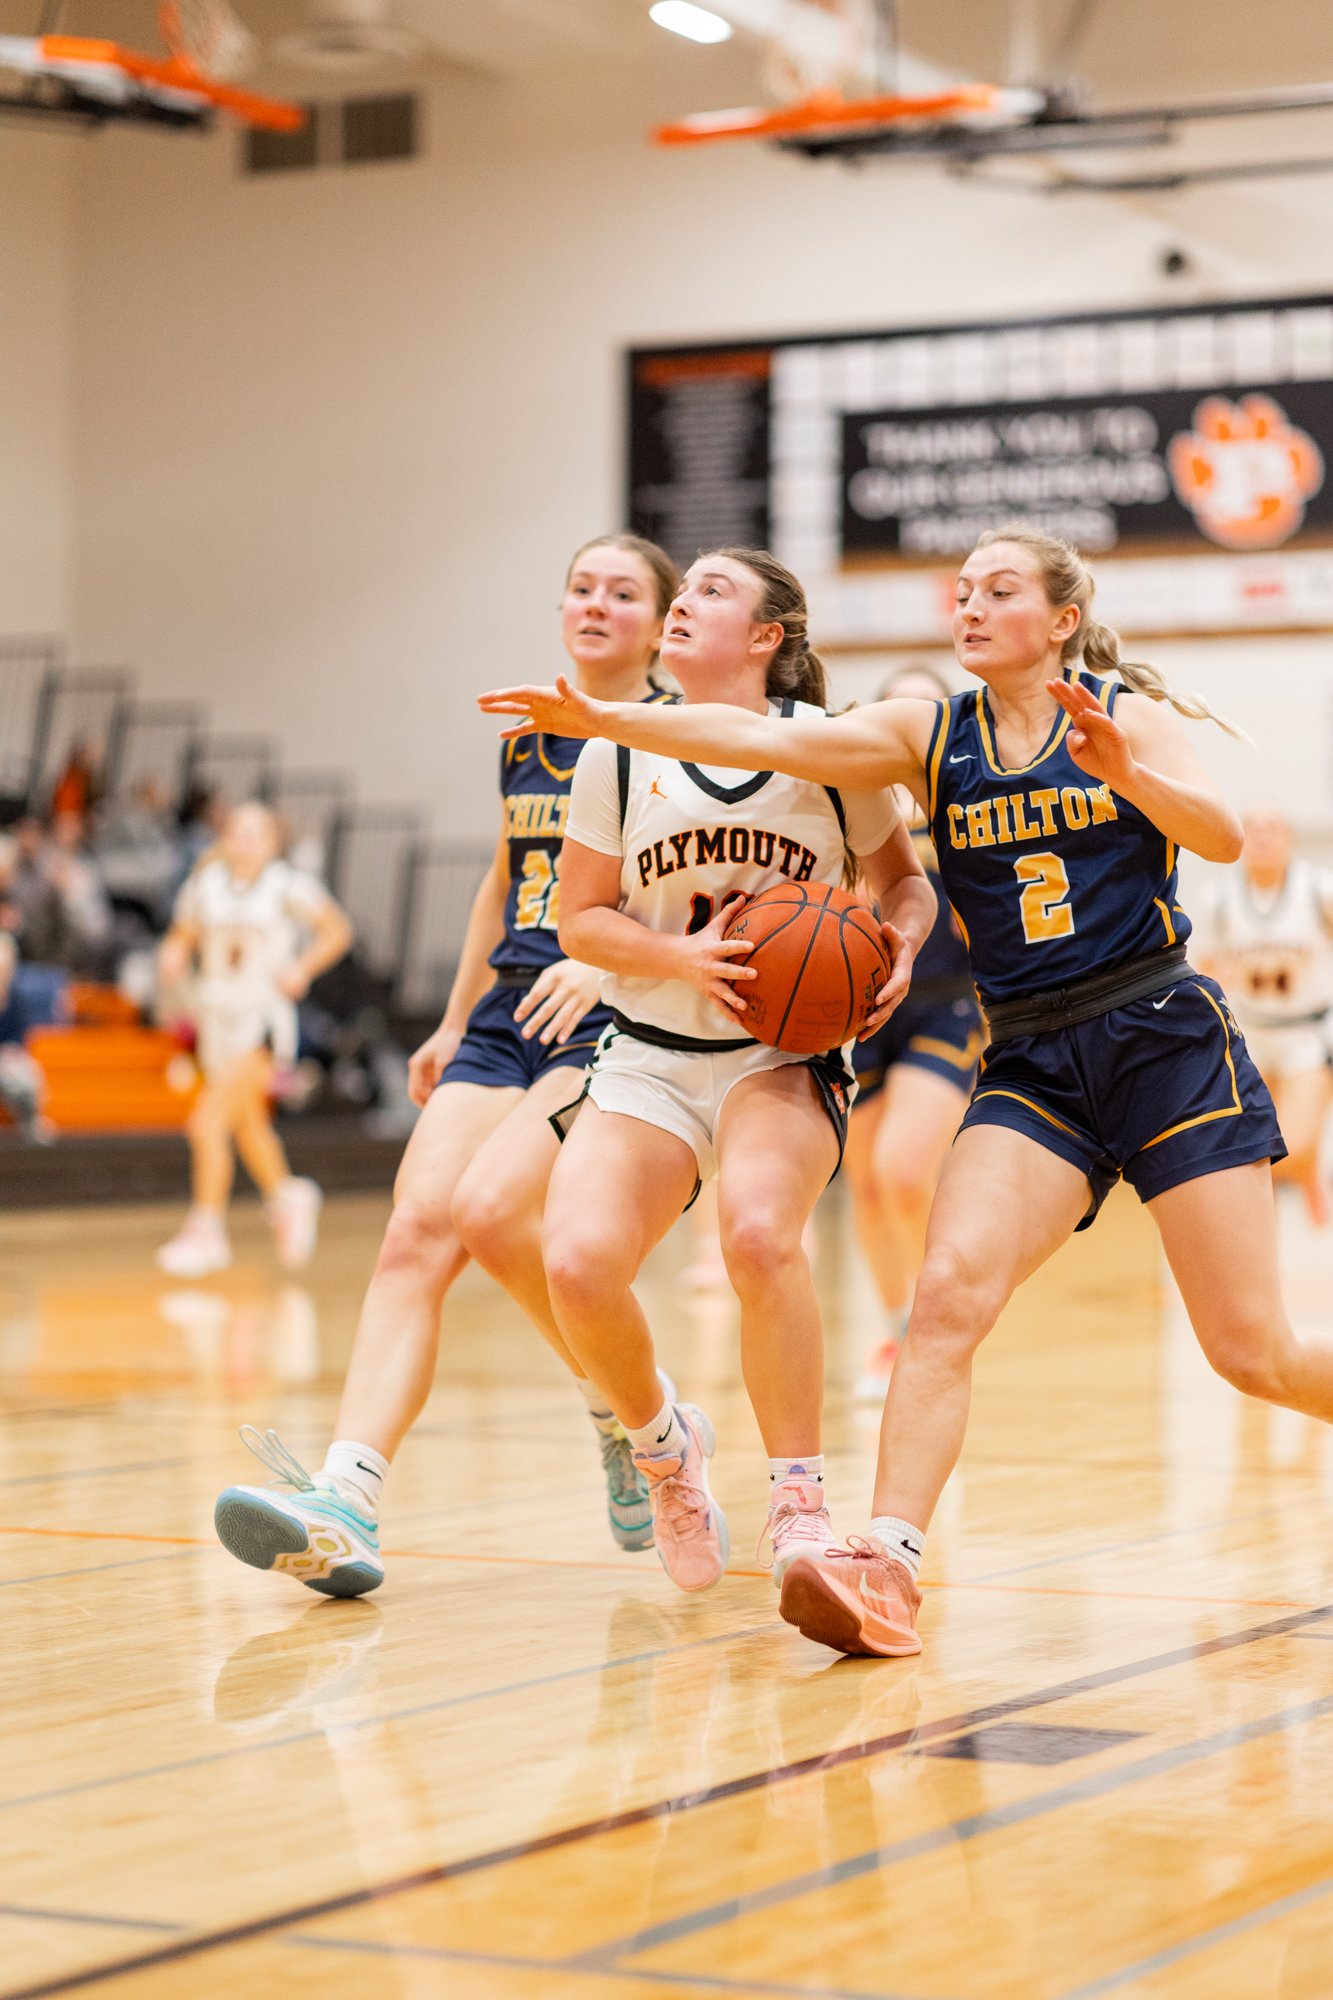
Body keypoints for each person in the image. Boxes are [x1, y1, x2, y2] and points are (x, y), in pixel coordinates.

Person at [480, 525, 1320, 1663]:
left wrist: (1127, 770)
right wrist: (604, 719)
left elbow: (1215, 836)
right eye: (960, 591)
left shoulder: (1122, 709)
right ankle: (885, 1562)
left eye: (996, 590)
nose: (966, 606)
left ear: (1061, 618)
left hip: (1158, 1031)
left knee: (1251, 1353)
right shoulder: (929, 734)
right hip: (1031, 1055)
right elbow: (753, 732)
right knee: (942, 1299)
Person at [212, 534, 681, 1598]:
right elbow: (504, 878)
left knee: (494, 1213)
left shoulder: (670, 738)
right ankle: (345, 1497)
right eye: (580, 587)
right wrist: (454, 1015)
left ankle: (635, 1412)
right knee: (414, 1233)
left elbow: (696, 887)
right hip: (507, 1008)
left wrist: (608, 963)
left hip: (607, 1008)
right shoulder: (529, 733)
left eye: (621, 592)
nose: (594, 604)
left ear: (658, 626)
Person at [496, 547, 935, 1596]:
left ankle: (799, 1503)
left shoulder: (826, 747)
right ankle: (664, 1449)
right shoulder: (616, 753)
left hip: (781, 1051)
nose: (683, 603)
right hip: (652, 1046)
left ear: (766, 637)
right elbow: (580, 921)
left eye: (711, 592)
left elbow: (904, 886)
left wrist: (902, 946)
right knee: (576, 1263)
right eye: (681, 589)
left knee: (758, 1234)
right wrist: (679, 956)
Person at [842, 663, 983, 1400]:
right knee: (866, 1184)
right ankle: (896, 1329)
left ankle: (938, 1325)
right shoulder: (851, 801)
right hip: (863, 1009)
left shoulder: (971, 800)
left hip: (947, 1002)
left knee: (902, 1171)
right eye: (898, 711)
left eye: (926, 710)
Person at [155, 800, 354, 1278]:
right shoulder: (205, 885)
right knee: (247, 1126)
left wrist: (301, 967)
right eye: (237, 831)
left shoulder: (288, 886)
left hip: (260, 1017)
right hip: (215, 1017)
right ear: (225, 837)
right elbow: (182, 935)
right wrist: (172, 954)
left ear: (271, 843)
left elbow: (337, 932)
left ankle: (206, 1229)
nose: (244, 841)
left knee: (206, 1124)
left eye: (255, 833)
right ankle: (287, 1195)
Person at [1201, 803, 1333, 1226]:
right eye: (1253, 829)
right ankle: (1263, 1248)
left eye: (1272, 828)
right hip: (1250, 1034)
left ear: (1289, 839)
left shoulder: (1318, 890)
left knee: (1292, 1148)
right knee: (1254, 1155)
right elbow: (1205, 965)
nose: (1263, 837)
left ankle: (1309, 1166)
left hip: (1306, 1033)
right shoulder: (1219, 899)